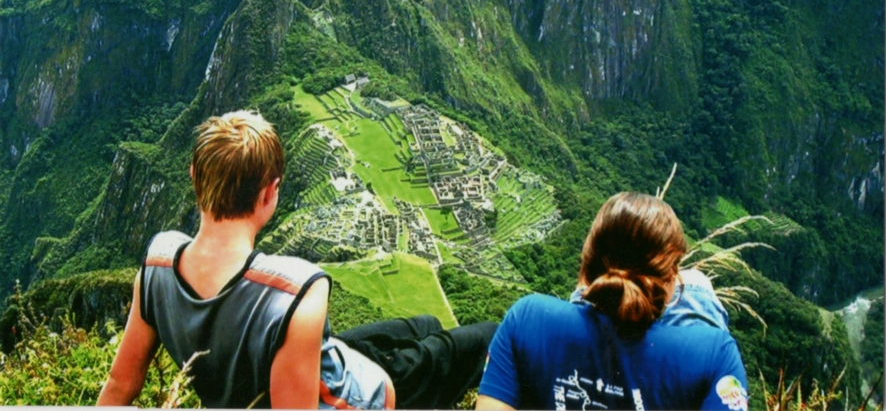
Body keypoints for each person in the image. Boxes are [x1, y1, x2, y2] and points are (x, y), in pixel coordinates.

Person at [97, 110, 496, 409]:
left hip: (309, 359)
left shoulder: (157, 266)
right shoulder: (295, 292)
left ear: (193, 176)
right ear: (270, 193)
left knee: (421, 325)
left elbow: (120, 387)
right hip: (369, 395)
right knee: (486, 338)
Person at [476, 192, 748, 411]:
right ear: (669, 278)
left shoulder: (526, 319)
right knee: (698, 285)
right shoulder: (714, 354)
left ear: (589, 261)